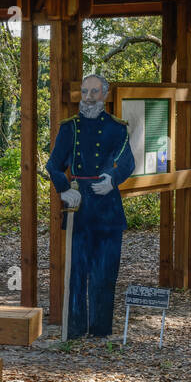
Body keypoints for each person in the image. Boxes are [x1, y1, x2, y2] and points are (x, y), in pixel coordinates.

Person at [45, 73, 135, 338]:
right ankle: (73, 329)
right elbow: (53, 165)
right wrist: (63, 189)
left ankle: (100, 330)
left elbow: (127, 161)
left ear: (104, 94)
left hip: (108, 207)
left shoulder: (117, 128)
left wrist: (113, 179)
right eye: (85, 92)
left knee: (106, 270)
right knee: (77, 271)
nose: (88, 98)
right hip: (79, 206)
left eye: (94, 92)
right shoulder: (69, 128)